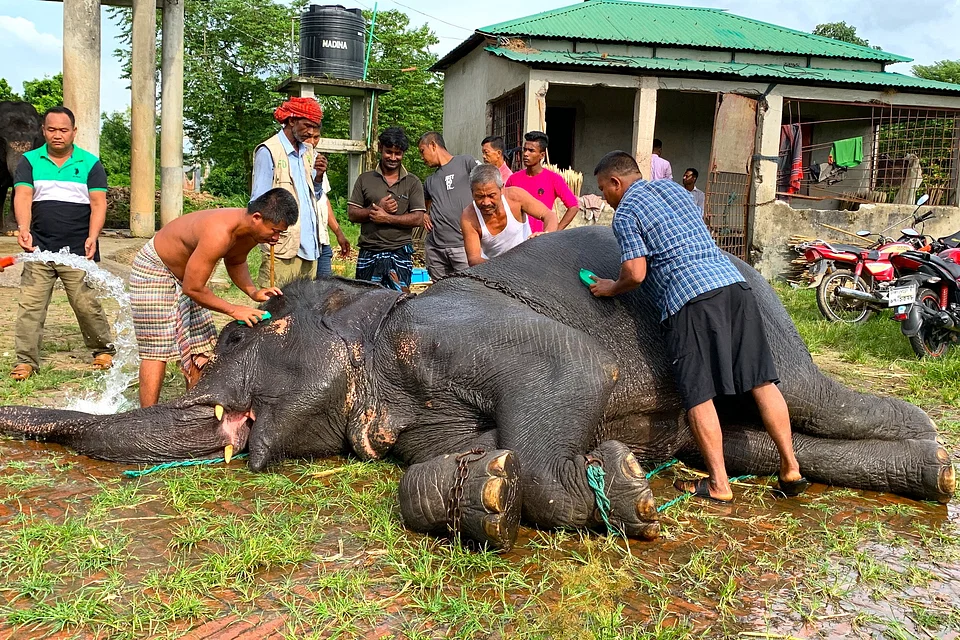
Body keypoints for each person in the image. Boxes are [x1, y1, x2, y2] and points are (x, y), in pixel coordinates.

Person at [588, 151, 808, 503]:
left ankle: (719, 485)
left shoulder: (626, 211)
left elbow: (636, 273)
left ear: (616, 182)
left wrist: (610, 287)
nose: (604, 198)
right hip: (733, 287)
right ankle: (791, 468)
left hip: (689, 299)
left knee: (698, 394)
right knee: (761, 382)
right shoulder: (675, 189)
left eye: (603, 189)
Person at [130, 188, 297, 408]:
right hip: (156, 269)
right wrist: (234, 310)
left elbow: (236, 261)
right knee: (157, 347)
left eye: (280, 234)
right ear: (257, 217)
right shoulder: (218, 233)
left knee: (201, 344)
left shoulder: (251, 232)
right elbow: (193, 289)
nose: (275, 238)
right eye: (274, 231)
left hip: (189, 279)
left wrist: (253, 292)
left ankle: (193, 410)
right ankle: (146, 416)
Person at [10, 106, 115, 381]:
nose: (58, 135)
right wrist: (23, 229)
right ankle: (25, 361)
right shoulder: (29, 161)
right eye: (52, 129)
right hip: (38, 248)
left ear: (74, 132)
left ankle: (103, 351)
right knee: (30, 306)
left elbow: (98, 203)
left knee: (86, 303)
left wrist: (93, 236)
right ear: (43, 131)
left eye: (64, 130)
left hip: (78, 250)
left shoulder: (90, 164)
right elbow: (23, 196)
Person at [251, 97, 324, 287]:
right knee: (277, 302)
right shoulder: (268, 151)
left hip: (310, 248)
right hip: (282, 248)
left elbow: (314, 196)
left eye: (315, 127)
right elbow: (258, 203)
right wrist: (269, 235)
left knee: (307, 303)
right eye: (307, 125)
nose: (311, 132)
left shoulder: (308, 152)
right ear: (291, 120)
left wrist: (318, 178)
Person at [348, 127, 426, 291]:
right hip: (370, 250)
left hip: (400, 251)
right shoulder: (365, 179)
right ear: (380, 148)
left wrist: (387, 218)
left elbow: (418, 218)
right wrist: (375, 209)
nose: (393, 157)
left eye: (398, 153)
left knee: (400, 299)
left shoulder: (412, 182)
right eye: (388, 152)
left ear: (403, 153)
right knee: (365, 299)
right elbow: (352, 214)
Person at [461, 163, 557, 265]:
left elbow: (549, 215)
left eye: (491, 195)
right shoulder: (469, 217)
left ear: (502, 189)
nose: (486, 202)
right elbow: (474, 259)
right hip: (495, 269)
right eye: (479, 196)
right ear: (472, 193)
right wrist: (506, 268)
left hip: (529, 261)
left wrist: (546, 235)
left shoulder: (516, 197)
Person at [418, 131, 481, 280]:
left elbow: (486, 182)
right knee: (439, 291)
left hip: (463, 245)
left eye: (422, 151)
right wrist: (424, 215)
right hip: (435, 249)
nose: (421, 157)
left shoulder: (466, 162)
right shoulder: (430, 181)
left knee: (468, 288)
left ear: (433, 145)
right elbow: (424, 207)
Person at [505, 131, 580, 232]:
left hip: (541, 237)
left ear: (542, 155)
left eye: (531, 151)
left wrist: (556, 231)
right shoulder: (513, 179)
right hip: (517, 237)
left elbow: (573, 206)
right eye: (525, 150)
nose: (526, 154)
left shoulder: (554, 179)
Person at [303, 133, 352, 274]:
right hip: (301, 242)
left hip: (321, 241)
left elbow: (323, 200)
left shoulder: (318, 160)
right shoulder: (293, 160)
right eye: (307, 137)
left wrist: (339, 233)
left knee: (325, 285)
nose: (312, 142)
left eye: (316, 137)